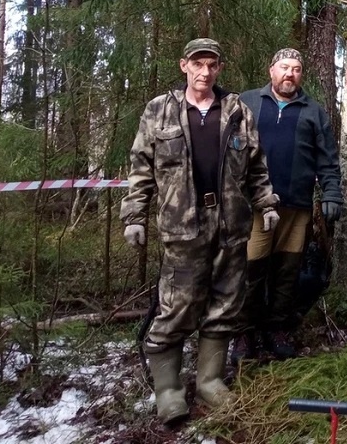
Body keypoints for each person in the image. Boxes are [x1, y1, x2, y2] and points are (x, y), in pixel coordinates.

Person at [121, 38, 280, 425]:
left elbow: (256, 166)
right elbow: (141, 167)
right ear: (184, 66)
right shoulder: (159, 111)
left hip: (230, 225)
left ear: (219, 68)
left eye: (211, 65)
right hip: (181, 226)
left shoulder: (237, 110)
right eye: (197, 64)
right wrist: (134, 216)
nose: (204, 72)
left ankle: (209, 381)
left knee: (226, 303)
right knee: (177, 306)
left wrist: (267, 204)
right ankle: (169, 391)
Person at [233, 48, 343, 362]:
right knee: (251, 269)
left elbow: (328, 161)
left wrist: (332, 194)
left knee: (287, 272)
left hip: (297, 207)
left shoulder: (313, 111)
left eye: (296, 68)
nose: (289, 74)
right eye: (284, 67)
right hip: (255, 206)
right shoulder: (248, 102)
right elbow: (230, 149)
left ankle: (276, 328)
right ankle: (244, 332)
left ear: (301, 74)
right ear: (272, 71)